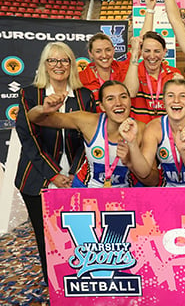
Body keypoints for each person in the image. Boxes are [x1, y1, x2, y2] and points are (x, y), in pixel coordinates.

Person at [14, 42, 95, 284]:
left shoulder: (85, 96)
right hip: (38, 178)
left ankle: (79, 284)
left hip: (77, 180)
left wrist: (77, 176)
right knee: (45, 238)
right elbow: (28, 139)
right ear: (45, 65)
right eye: (53, 60)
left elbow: (89, 140)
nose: (58, 65)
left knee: (78, 237)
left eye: (64, 60)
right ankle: (54, 287)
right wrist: (54, 175)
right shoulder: (29, 94)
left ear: (71, 65)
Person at [26, 80, 152, 188]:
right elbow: (35, 118)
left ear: (130, 101)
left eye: (123, 97)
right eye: (110, 99)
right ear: (102, 106)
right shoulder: (88, 121)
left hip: (127, 193)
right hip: (87, 190)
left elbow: (152, 179)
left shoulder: (141, 129)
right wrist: (43, 109)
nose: (118, 103)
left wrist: (131, 162)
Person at [121, 78, 185, 186]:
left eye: (183, 96)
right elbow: (144, 172)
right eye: (170, 95)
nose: (176, 100)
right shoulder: (154, 127)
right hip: (169, 191)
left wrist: (183, 151)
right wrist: (132, 143)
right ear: (163, 101)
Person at [123, 30, 182, 123]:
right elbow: (130, 92)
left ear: (164, 52)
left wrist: (180, 87)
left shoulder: (173, 73)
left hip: (165, 132)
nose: (152, 56)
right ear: (141, 52)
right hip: (138, 131)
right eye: (147, 51)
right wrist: (134, 53)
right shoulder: (133, 71)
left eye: (157, 51)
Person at [79, 33, 136, 108]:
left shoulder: (122, 68)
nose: (104, 55)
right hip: (95, 119)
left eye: (108, 50)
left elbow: (140, 45)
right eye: (98, 51)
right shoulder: (81, 78)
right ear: (91, 53)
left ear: (113, 50)